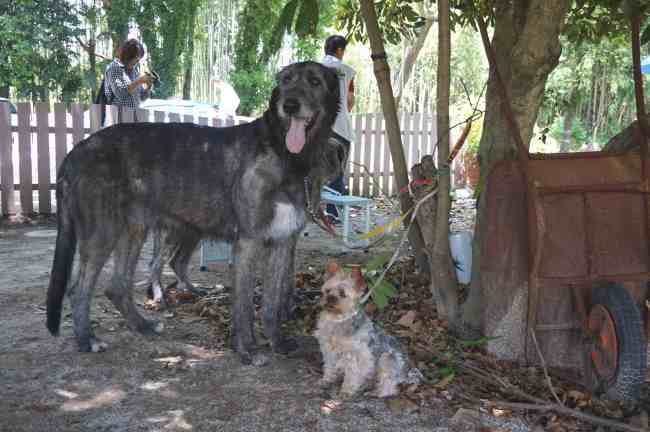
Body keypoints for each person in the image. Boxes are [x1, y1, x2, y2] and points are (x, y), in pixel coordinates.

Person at [321, 35, 356, 223]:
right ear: (340, 50)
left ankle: (310, 211)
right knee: (337, 171)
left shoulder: (313, 68)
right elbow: (350, 102)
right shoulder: (348, 71)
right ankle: (332, 213)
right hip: (340, 127)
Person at [103, 39, 153, 112]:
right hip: (119, 118)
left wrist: (149, 86)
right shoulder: (114, 68)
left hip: (134, 117)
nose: (138, 61)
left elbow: (142, 97)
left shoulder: (134, 70)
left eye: (139, 58)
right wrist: (139, 81)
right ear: (128, 55)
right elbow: (121, 93)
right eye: (136, 57)